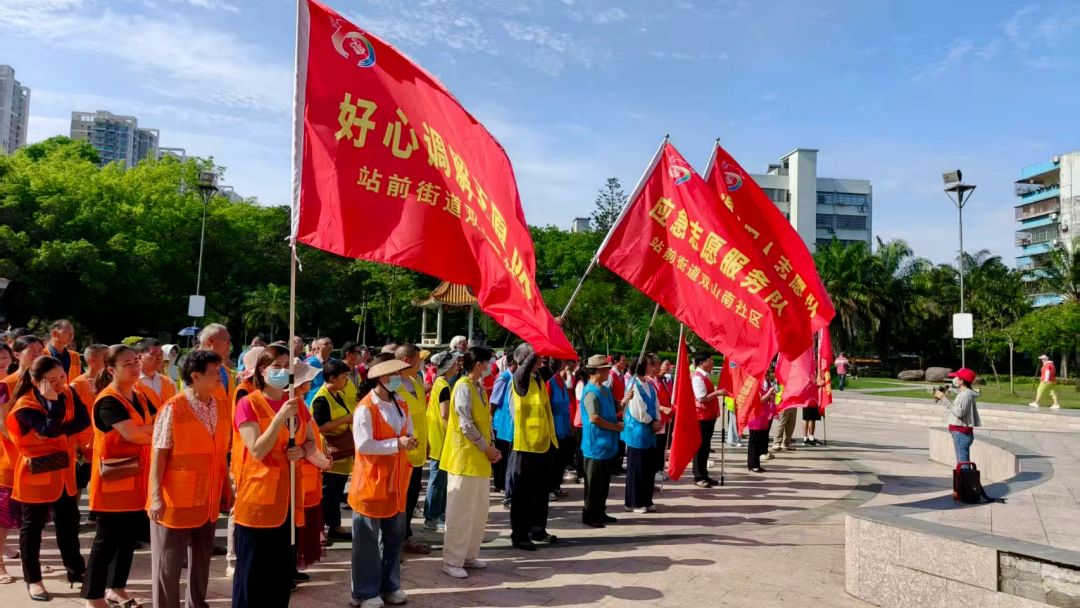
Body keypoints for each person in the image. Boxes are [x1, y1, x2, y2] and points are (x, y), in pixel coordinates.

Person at [231, 344, 321, 607]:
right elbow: (257, 449)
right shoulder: (248, 404)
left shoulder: (297, 403)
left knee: (280, 578)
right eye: (277, 367)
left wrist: (303, 450)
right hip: (258, 501)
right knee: (252, 575)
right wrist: (279, 417)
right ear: (262, 370)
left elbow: (312, 441)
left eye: (286, 367)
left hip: (290, 499)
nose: (282, 372)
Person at [147, 349, 233, 608]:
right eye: (214, 372)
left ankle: (197, 604)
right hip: (175, 499)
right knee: (168, 564)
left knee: (202, 558)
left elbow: (220, 454)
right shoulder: (173, 408)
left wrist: (226, 488)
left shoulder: (219, 404)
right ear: (195, 376)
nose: (220, 376)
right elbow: (158, 455)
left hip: (207, 497)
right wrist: (155, 496)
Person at [8, 355, 90, 601]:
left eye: (62, 378)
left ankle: (76, 571)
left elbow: (83, 421)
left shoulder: (69, 393)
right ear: (35, 380)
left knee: (68, 523)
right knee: (32, 528)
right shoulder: (25, 404)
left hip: (64, 473)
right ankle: (33, 579)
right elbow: (48, 429)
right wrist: (53, 405)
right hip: (36, 473)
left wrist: (57, 428)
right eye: (51, 381)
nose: (59, 384)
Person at [81, 345, 155, 608]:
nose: (135, 367)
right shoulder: (108, 400)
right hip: (113, 480)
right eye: (128, 364)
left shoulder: (140, 394)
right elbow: (132, 435)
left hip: (138, 479)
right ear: (111, 369)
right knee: (106, 541)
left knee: (127, 540)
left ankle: (117, 588)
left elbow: (155, 423)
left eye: (136, 361)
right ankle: (93, 596)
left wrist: (144, 429)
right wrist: (147, 430)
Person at [349, 358, 415, 608]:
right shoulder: (365, 408)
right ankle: (364, 591)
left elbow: (406, 431)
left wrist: (408, 440)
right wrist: (397, 444)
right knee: (366, 541)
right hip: (371, 483)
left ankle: (390, 585)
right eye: (397, 374)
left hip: (396, 482)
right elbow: (364, 445)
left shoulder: (401, 403)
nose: (401, 378)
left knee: (393, 537)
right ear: (383, 378)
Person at [440, 346, 499, 579]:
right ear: (478, 364)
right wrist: (486, 447)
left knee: (478, 511)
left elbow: (485, 420)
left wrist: (492, 447)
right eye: (487, 362)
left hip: (480, 459)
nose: (489, 366)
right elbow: (465, 423)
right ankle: (452, 560)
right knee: (460, 512)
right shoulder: (463, 386)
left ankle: (469, 555)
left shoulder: (478, 387)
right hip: (464, 458)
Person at [507, 343, 558, 551]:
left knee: (540, 491)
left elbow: (554, 364)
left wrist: (553, 334)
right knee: (522, 494)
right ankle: (519, 534)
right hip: (525, 445)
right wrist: (540, 340)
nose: (542, 360)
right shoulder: (521, 379)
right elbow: (527, 365)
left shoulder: (538, 378)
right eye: (537, 356)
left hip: (542, 444)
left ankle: (537, 528)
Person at [310, 359, 356, 544]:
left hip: (342, 452)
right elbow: (320, 426)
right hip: (329, 452)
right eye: (343, 377)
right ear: (332, 378)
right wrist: (346, 419)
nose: (346, 380)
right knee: (327, 493)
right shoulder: (321, 398)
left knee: (336, 492)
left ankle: (335, 525)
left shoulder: (339, 394)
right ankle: (319, 529)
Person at [393, 344, 431, 555]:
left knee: (412, 495)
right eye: (419, 360)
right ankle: (394, 540)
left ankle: (406, 535)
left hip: (417, 452)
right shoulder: (393, 385)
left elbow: (421, 415)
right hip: (400, 453)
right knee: (399, 497)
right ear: (407, 361)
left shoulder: (415, 383)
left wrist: (426, 443)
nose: (421, 364)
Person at [580, 355, 622, 528]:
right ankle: (590, 514)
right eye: (606, 368)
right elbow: (594, 418)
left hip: (606, 445)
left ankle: (600, 511)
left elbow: (616, 407)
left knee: (603, 482)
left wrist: (625, 400)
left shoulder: (604, 389)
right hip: (595, 446)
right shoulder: (590, 392)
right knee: (593, 484)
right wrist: (614, 427)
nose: (608, 371)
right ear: (597, 371)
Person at [424, 351, 459, 532]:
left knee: (440, 478)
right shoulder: (444, 385)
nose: (458, 366)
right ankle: (431, 516)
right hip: (442, 437)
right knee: (437, 479)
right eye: (455, 364)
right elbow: (445, 414)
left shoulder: (439, 382)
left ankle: (438, 513)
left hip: (437, 436)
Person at [622, 356, 660, 513]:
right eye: (649, 365)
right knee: (637, 469)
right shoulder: (633, 385)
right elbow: (638, 410)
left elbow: (655, 404)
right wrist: (651, 422)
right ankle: (633, 502)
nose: (652, 367)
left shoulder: (649, 384)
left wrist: (657, 420)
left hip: (650, 433)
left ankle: (646, 498)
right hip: (637, 432)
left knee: (648, 469)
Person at [0, 342, 19, 584]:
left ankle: (3, 548)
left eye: (5, 356)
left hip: (13, 453)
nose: (2, 360)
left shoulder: (16, 382)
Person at [690, 353, 724, 488]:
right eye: (709, 360)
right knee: (700, 446)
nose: (712, 362)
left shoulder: (705, 376)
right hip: (701, 416)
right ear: (701, 363)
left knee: (706, 446)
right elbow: (701, 398)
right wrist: (717, 393)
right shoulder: (697, 378)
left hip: (709, 416)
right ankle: (698, 476)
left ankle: (704, 473)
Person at [936, 368, 982, 464]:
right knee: (962, 461)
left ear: (961, 381)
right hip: (960, 432)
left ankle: (965, 478)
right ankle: (964, 478)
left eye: (956, 377)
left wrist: (944, 399)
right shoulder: (964, 393)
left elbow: (959, 412)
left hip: (961, 433)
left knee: (963, 463)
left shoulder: (965, 395)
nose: (954, 379)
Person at [489, 357, 516, 500]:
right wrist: (490, 421)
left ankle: (504, 484)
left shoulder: (515, 378)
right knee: (501, 457)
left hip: (509, 425)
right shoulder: (503, 379)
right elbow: (493, 402)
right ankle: (499, 484)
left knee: (507, 458)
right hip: (500, 423)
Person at [547, 360, 572, 500]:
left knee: (561, 460)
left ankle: (557, 485)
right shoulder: (550, 382)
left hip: (564, 428)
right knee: (553, 461)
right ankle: (549, 488)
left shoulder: (561, 382)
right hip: (554, 428)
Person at [134, 338, 178, 414]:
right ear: (139, 356)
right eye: (154, 354)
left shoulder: (169, 382)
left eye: (161, 354)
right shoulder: (131, 384)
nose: (159, 357)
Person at [746, 377, 777, 474]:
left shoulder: (767, 381)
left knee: (760, 441)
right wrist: (769, 393)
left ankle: (757, 464)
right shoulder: (755, 382)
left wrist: (771, 396)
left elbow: (766, 397)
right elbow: (758, 400)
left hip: (764, 415)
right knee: (754, 441)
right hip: (755, 416)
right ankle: (752, 464)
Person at [305, 337, 334, 405]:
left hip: (331, 402)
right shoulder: (309, 363)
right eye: (326, 344)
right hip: (313, 401)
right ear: (318, 348)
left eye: (331, 343)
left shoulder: (335, 362)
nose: (330, 345)